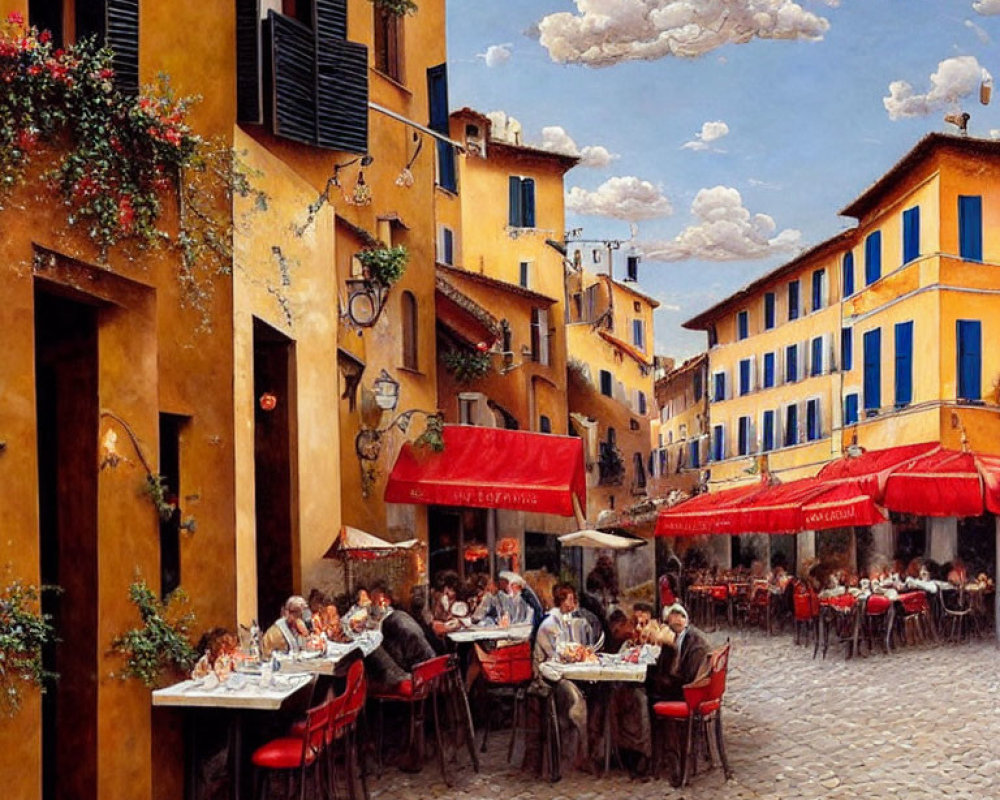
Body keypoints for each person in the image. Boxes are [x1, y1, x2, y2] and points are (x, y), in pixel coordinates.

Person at [533, 582, 594, 771]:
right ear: (561, 600)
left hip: (564, 673)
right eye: (570, 599)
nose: (574, 603)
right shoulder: (550, 624)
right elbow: (556, 656)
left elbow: (573, 647)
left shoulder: (567, 620)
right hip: (548, 678)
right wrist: (575, 654)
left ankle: (588, 751)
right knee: (575, 699)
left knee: (596, 693)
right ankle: (579, 755)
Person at [649, 603, 711, 702]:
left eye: (681, 616)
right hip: (682, 682)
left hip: (687, 689)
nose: (678, 619)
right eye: (674, 615)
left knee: (649, 687)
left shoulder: (694, 643)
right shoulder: (675, 637)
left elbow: (689, 676)